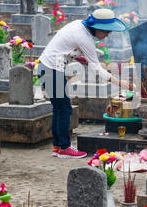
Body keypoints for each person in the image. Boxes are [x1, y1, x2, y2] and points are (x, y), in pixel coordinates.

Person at [38, 9, 133, 159]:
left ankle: (58, 146)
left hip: (45, 67)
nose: (108, 35)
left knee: (59, 108)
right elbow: (97, 69)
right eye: (107, 31)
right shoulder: (85, 38)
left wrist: (84, 59)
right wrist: (121, 82)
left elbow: (67, 50)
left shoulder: (78, 25)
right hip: (52, 70)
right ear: (97, 28)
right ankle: (64, 147)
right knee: (64, 109)